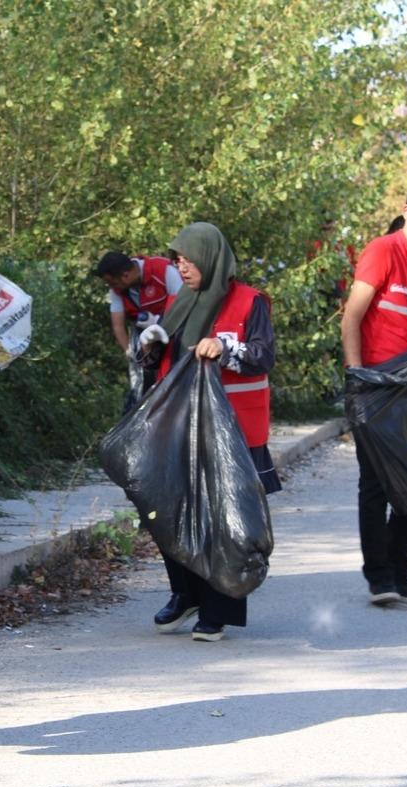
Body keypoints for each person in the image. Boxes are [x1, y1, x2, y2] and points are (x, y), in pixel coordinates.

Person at [137, 222, 280, 642]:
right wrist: (149, 347)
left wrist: (226, 347)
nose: (180, 265)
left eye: (187, 257)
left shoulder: (249, 301)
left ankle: (217, 611)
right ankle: (186, 593)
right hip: (179, 428)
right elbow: (160, 368)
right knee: (169, 512)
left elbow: (263, 354)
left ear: (211, 257)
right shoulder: (180, 303)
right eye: (176, 258)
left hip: (232, 431)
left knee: (225, 524)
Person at [341, 179, 407, 606]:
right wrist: (356, 375)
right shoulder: (382, 251)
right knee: (376, 484)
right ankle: (379, 576)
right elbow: (352, 317)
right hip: (376, 387)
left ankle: (401, 571)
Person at [94, 250, 183, 408]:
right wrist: (129, 351)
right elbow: (118, 325)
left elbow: (183, 306)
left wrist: (159, 324)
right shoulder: (118, 290)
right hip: (145, 338)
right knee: (143, 385)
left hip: (176, 330)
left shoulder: (164, 271)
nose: (112, 287)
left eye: (112, 283)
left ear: (126, 275)